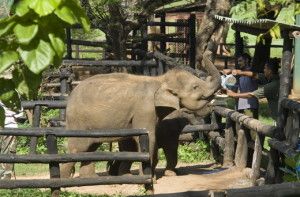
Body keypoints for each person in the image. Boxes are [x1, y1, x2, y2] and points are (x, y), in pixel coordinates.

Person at [223, 53, 259, 119]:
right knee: (241, 128)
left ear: (247, 60)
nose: (238, 63)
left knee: (250, 126)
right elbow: (233, 89)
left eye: (240, 61)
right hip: (240, 106)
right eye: (238, 61)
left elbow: (253, 74)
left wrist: (235, 71)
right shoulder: (239, 74)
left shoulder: (252, 71)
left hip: (250, 107)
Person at [0, 101, 22, 180]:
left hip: (9, 125)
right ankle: (5, 174)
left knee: (8, 151)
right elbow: (19, 114)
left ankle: (5, 174)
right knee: (9, 151)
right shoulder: (14, 93)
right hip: (10, 125)